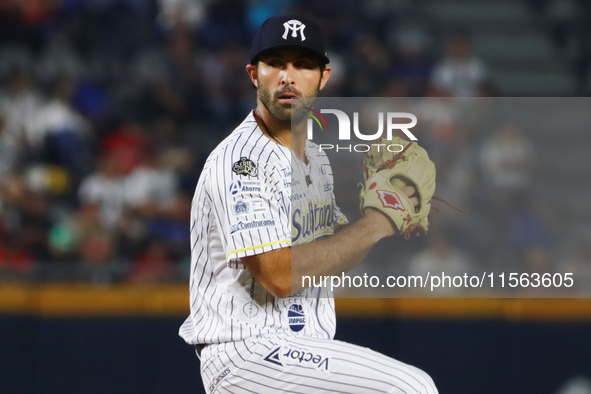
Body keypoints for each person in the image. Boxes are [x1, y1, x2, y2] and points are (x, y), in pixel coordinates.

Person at [179, 15, 438, 393]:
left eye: (303, 65)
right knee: (411, 388)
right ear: (254, 74)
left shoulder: (315, 157)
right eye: (276, 63)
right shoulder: (241, 161)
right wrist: (376, 224)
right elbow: (278, 276)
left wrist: (382, 216)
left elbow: (330, 253)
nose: (288, 76)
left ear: (324, 76)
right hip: (249, 353)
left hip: (300, 353)